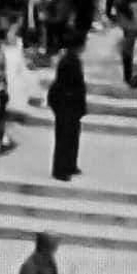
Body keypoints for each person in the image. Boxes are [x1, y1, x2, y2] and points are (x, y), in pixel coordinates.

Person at [48, 32, 87, 182]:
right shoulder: (69, 61)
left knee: (72, 136)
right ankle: (60, 169)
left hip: (72, 104)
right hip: (66, 103)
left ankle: (70, 164)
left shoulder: (73, 59)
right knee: (64, 137)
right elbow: (70, 85)